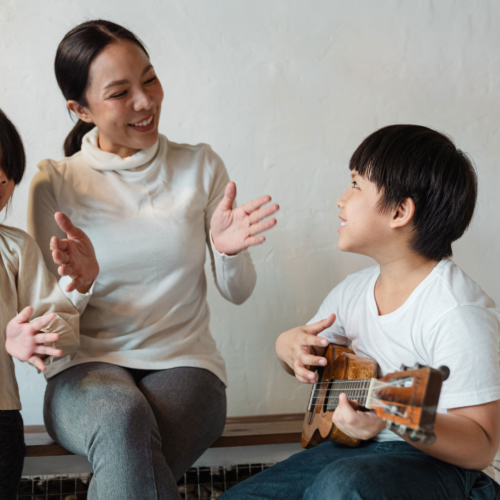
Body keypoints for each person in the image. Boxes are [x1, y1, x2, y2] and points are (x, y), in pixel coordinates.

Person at [28, 20, 279, 500]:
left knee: (131, 449)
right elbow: (47, 323)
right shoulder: (55, 183)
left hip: (187, 365)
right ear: (79, 109)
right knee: (121, 417)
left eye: (149, 78)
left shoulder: (200, 166)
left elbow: (239, 290)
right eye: (121, 92)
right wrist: (76, 288)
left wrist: (228, 253)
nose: (145, 102)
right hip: (83, 370)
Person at [220, 124, 500, 500]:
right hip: (349, 450)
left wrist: (390, 415)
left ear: (400, 211)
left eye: (355, 185)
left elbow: (481, 445)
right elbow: (311, 358)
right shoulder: (351, 293)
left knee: (342, 487)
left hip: (438, 467)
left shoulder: (457, 311)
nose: (341, 199)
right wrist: (287, 347)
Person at [0, 109, 80, 500]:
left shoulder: (15, 249)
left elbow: (64, 324)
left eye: (2, 179)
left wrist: (33, 335)